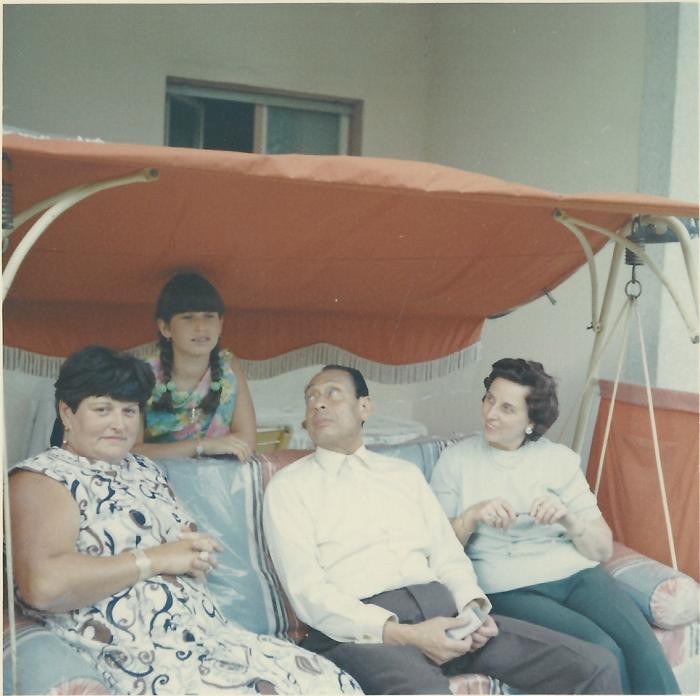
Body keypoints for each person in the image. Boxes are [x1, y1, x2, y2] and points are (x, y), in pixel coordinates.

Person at [9, 346, 362, 695]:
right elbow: (43, 585)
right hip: (137, 655)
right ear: (67, 413)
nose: (119, 424)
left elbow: (173, 545)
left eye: (129, 411)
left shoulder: (144, 469)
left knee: (332, 682)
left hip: (210, 640)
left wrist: (193, 552)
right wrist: (157, 559)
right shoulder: (44, 477)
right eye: (102, 410)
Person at [263, 364, 623, 695]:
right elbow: (309, 593)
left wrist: (472, 608)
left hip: (448, 616)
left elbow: (446, 552)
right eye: (311, 397)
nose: (318, 404)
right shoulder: (288, 487)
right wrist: (406, 634)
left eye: (332, 393)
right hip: (365, 635)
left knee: (594, 666)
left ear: (364, 408)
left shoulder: (402, 475)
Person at [430, 357, 680, 695]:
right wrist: (471, 515)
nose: (490, 413)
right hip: (510, 586)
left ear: (531, 421)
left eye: (507, 408)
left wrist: (567, 517)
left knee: (643, 647)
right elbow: (437, 546)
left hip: (578, 574)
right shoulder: (456, 460)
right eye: (489, 399)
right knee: (603, 648)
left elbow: (602, 548)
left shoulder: (558, 460)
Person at [134, 271, 256, 461]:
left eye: (209, 316)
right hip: (158, 483)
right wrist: (201, 446)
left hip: (218, 481)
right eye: (188, 317)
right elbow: (132, 451)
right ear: (165, 327)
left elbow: (247, 441)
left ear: (221, 324)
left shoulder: (229, 366)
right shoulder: (143, 374)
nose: (201, 327)